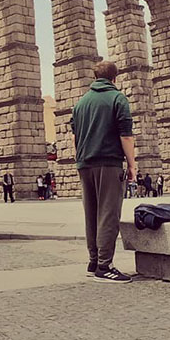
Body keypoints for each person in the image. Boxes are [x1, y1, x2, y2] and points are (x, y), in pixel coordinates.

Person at [71, 60, 135, 283]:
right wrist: (132, 165)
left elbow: (75, 136)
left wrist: (82, 158)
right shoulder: (117, 98)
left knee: (92, 213)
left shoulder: (80, 103)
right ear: (114, 78)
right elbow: (126, 135)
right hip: (108, 163)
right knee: (109, 213)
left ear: (95, 77)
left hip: (84, 164)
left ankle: (93, 260)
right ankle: (104, 266)